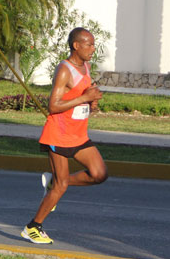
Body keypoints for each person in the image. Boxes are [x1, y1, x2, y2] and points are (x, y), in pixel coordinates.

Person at [21, 27, 108, 245]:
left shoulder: (86, 67)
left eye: (93, 44)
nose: (92, 48)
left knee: (99, 174)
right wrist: (84, 97)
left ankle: (55, 182)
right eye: (88, 44)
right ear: (76, 45)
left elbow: (81, 99)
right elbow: (53, 105)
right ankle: (33, 227)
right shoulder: (64, 70)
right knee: (60, 187)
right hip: (58, 135)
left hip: (78, 135)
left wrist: (92, 101)